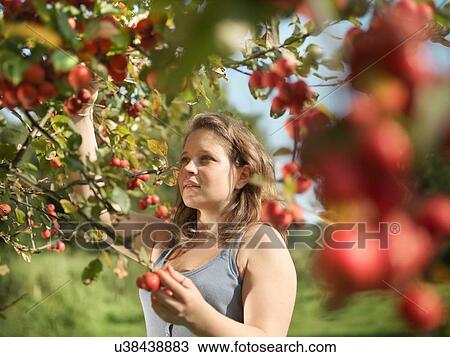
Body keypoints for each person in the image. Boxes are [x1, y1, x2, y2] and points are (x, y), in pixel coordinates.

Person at [69, 87, 297, 337]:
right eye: (185, 159)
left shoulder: (258, 243)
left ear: (242, 175)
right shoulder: (165, 241)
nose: (189, 168)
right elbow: (93, 209)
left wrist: (197, 316)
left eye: (206, 159)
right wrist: (81, 113)